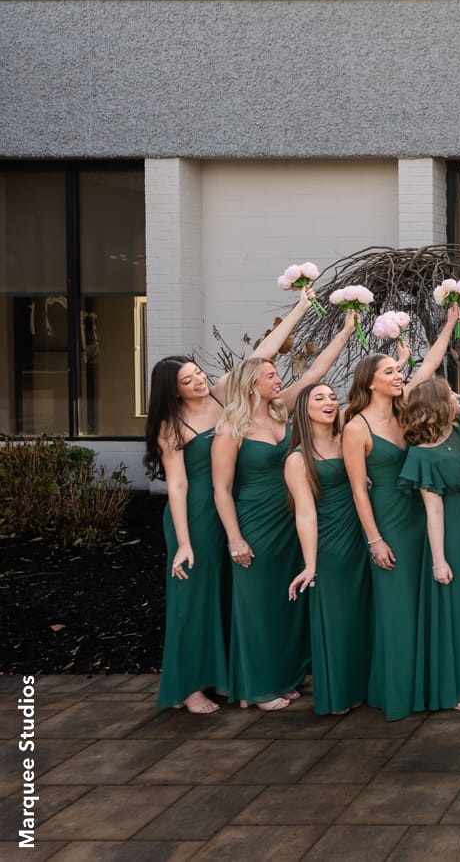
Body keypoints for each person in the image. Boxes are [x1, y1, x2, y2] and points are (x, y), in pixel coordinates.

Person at [144, 287, 319, 714]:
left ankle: (229, 678)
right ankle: (189, 688)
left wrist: (299, 309)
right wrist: (184, 543)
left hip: (236, 506)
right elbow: (179, 487)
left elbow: (261, 355)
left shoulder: (223, 396)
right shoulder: (173, 426)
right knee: (195, 599)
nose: (198, 381)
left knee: (229, 595)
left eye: (197, 373)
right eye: (187, 381)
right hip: (197, 516)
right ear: (173, 391)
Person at [212, 309, 355, 710]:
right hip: (254, 520)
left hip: (292, 514)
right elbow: (221, 490)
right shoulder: (231, 428)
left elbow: (314, 377)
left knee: (286, 602)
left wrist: (344, 333)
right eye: (272, 375)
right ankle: (258, 686)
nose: (279, 379)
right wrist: (235, 538)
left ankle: (286, 675)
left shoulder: (282, 410)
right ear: (252, 383)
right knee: (256, 604)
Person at [343, 305, 459, 721]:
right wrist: (375, 540)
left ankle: (426, 685)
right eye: (390, 372)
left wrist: (446, 325)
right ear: (369, 382)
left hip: (421, 516)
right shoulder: (356, 427)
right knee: (396, 610)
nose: (398, 376)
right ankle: (398, 693)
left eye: (398, 371)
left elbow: (427, 365)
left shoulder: (403, 409)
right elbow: (359, 490)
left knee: (423, 605)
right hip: (389, 522)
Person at [401, 376, 460, 711]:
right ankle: (457, 687)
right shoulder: (422, 455)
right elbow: (433, 509)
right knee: (455, 608)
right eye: (453, 396)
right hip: (452, 530)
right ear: (439, 404)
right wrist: (439, 560)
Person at [285, 382, 370, 715]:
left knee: (363, 616)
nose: (330, 402)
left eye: (333, 397)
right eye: (319, 398)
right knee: (336, 619)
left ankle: (363, 685)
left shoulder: (348, 436)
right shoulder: (297, 458)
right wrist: (310, 564)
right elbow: (304, 513)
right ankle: (338, 693)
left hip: (363, 533)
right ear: (304, 410)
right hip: (331, 544)